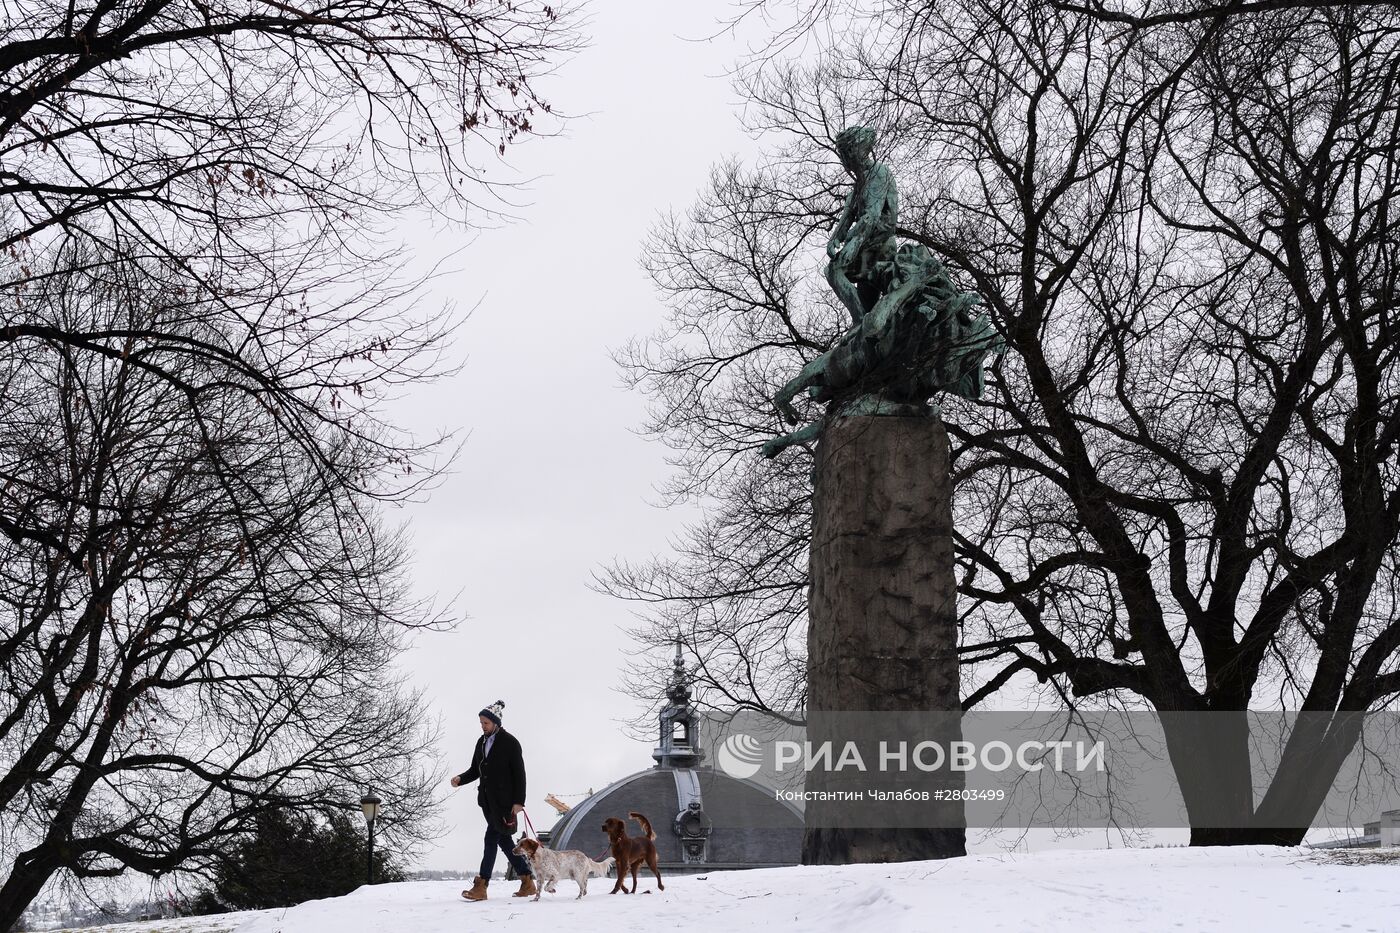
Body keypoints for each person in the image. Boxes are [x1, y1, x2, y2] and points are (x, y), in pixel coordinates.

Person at [450, 700, 535, 901]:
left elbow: (519, 774)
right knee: (504, 841)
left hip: (506, 803)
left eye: (486, 723)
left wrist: (519, 801)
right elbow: (475, 770)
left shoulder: (510, 743)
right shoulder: (481, 742)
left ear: (496, 722)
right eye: (481, 723)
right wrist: (460, 779)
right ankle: (527, 880)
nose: (483, 726)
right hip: (487, 802)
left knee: (490, 839)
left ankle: (482, 884)